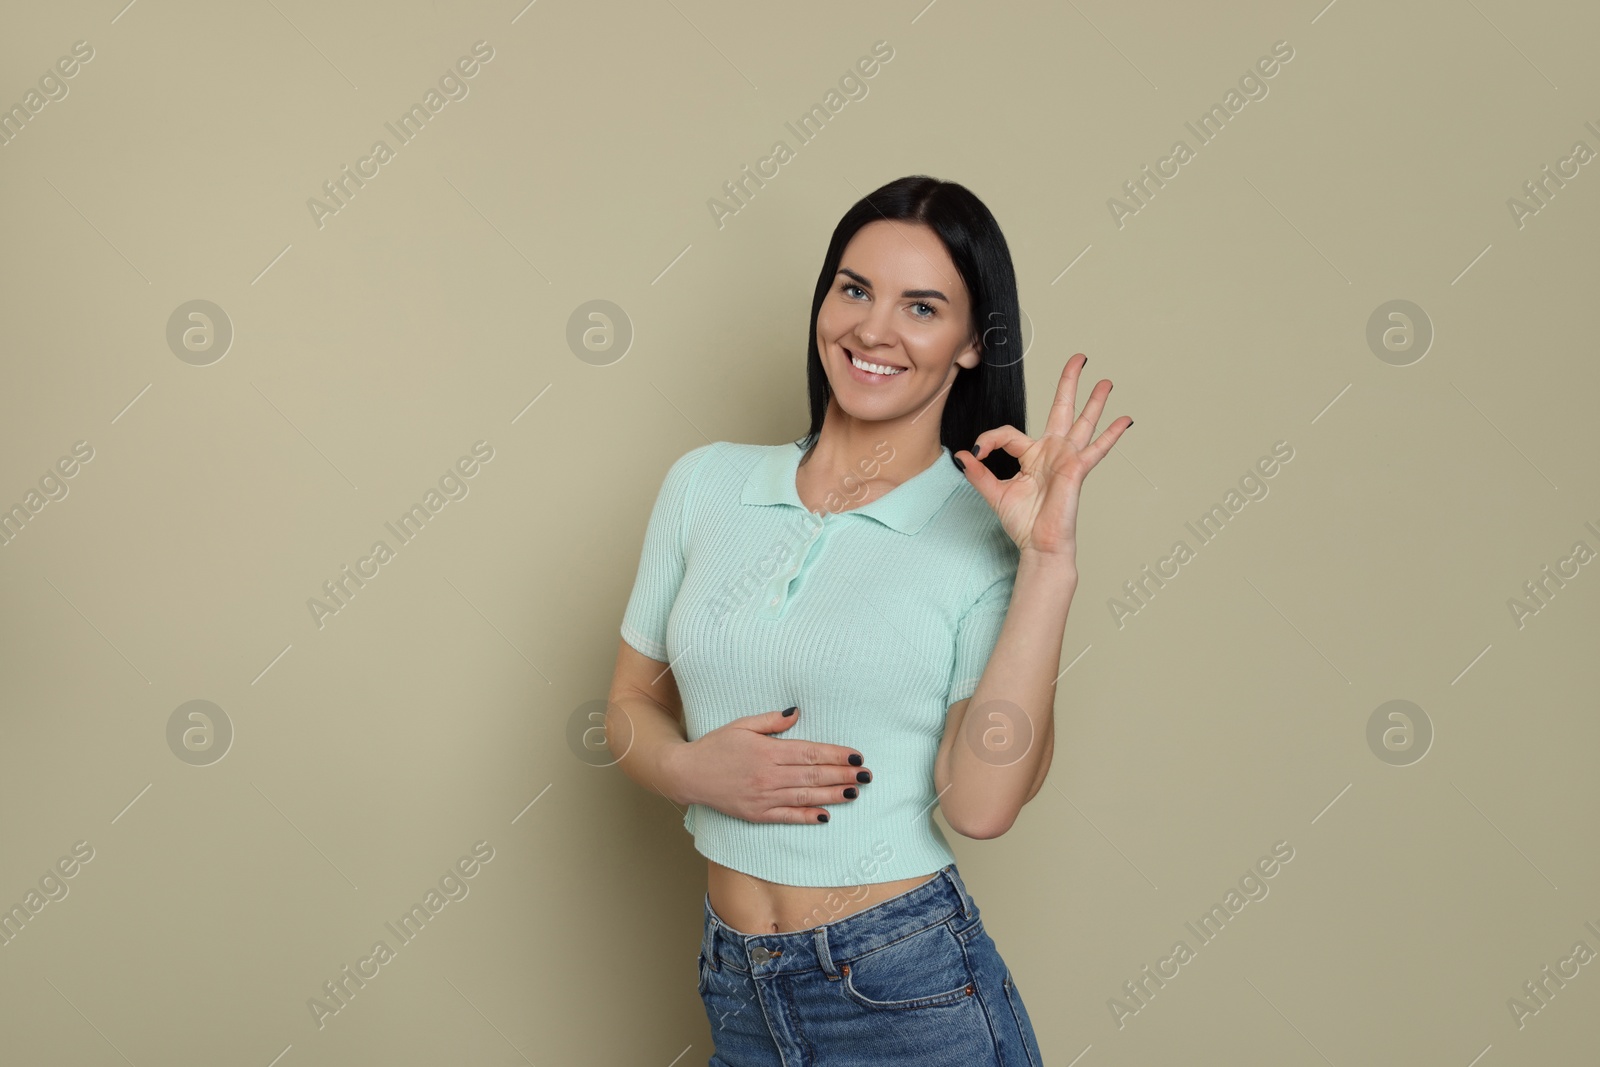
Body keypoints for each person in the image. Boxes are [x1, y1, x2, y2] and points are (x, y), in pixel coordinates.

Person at [606, 174, 1131, 1064]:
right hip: (736, 982)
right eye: (854, 289)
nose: (873, 329)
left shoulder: (982, 532)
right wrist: (694, 769)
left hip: (906, 987)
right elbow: (625, 709)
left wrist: (1046, 563)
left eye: (921, 307)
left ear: (971, 345)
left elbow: (982, 802)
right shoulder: (705, 484)